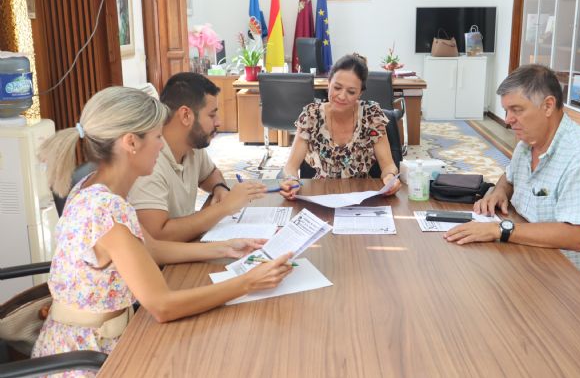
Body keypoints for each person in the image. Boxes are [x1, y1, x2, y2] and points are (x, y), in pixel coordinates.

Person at [32, 87, 292, 372]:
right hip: (89, 357)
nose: (161, 146)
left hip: (90, 341)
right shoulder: (106, 209)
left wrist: (225, 247)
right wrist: (247, 282)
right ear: (131, 142)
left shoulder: (93, 188)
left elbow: (148, 249)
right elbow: (163, 306)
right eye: (157, 137)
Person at [443, 64, 580, 300]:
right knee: (464, 285)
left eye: (516, 110)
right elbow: (509, 177)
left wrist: (499, 229)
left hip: (579, 279)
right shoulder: (528, 142)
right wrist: (500, 190)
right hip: (531, 255)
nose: (508, 120)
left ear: (548, 105)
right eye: (506, 110)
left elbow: (578, 237)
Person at [128, 72, 267, 242]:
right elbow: (157, 236)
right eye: (211, 115)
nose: (218, 122)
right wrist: (225, 207)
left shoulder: (191, 144)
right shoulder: (149, 162)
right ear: (186, 115)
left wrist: (220, 188)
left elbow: (210, 174)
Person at [279, 53, 401, 199]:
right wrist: (291, 180)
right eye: (337, 87)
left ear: (360, 93)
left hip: (361, 198)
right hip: (320, 197)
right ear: (328, 83)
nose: (342, 96)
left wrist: (390, 177)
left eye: (351, 92)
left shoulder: (372, 115)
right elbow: (290, 167)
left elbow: (388, 165)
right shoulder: (311, 115)